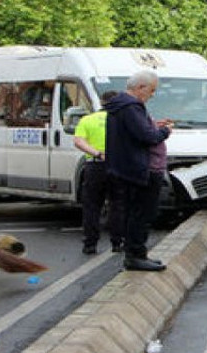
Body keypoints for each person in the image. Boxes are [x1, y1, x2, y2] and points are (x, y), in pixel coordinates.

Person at [105, 70, 172, 272]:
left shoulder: (119, 106)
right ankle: (136, 255)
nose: (152, 95)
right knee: (141, 213)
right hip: (139, 169)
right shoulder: (131, 107)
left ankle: (137, 253)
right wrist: (164, 131)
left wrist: (152, 125)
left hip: (125, 167)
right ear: (141, 87)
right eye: (152, 90)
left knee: (135, 212)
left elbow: (137, 130)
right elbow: (146, 136)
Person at [74, 92, 117, 254]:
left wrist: (97, 153)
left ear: (101, 102)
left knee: (92, 206)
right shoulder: (120, 120)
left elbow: (78, 141)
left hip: (95, 165)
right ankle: (117, 242)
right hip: (117, 165)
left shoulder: (87, 120)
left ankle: (90, 243)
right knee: (117, 204)